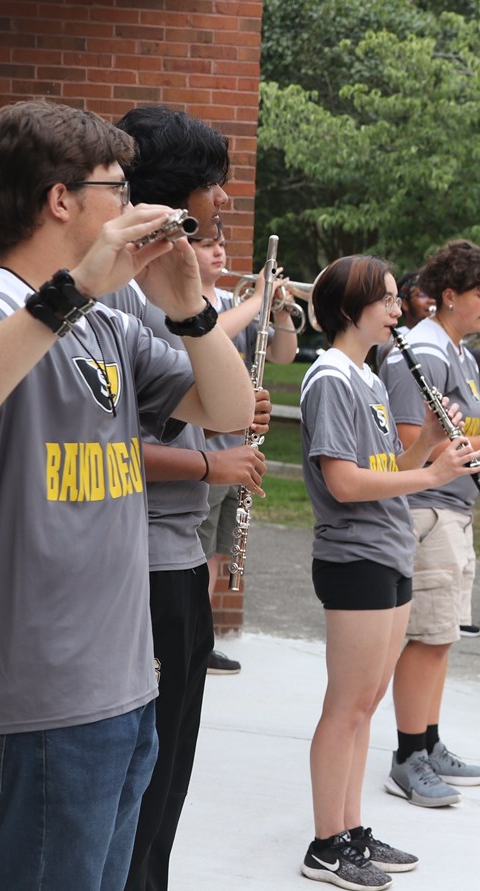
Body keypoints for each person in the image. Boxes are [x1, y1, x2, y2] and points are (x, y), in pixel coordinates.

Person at [0, 100, 255, 890]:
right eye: (117, 187)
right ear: (61, 199)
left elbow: (229, 413)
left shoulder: (106, 326)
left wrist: (191, 308)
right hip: (43, 689)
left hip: (123, 679)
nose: (132, 207)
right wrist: (72, 291)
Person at [98, 105, 271, 891]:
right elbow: (113, 443)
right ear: (173, 196)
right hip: (138, 558)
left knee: (165, 776)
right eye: (213, 185)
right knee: (142, 775)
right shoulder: (128, 296)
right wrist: (210, 470)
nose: (224, 201)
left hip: (174, 553)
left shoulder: (168, 288)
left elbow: (215, 402)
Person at [298, 254, 480, 887]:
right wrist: (429, 476)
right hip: (355, 554)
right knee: (346, 706)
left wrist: (432, 439)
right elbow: (344, 481)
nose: (399, 310)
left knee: (367, 704)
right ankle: (325, 845)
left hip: (389, 549)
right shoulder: (329, 378)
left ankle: (350, 831)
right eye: (387, 301)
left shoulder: (368, 377)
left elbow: (383, 461)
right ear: (351, 309)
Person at [381, 239, 480, 807]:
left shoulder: (460, 352)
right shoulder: (425, 351)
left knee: (442, 637)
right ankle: (408, 757)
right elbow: (410, 442)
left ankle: (430, 742)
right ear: (448, 297)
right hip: (426, 509)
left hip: (453, 508)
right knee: (426, 636)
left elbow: (458, 429)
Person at [190, 224, 297, 672]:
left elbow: (286, 355)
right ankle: (191, 637)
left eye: (221, 244)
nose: (219, 251)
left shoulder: (237, 302)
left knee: (218, 549)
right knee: (196, 547)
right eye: (208, 245)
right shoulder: (191, 305)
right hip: (204, 446)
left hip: (241, 447)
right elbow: (208, 332)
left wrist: (281, 310)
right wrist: (259, 298)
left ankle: (203, 636)